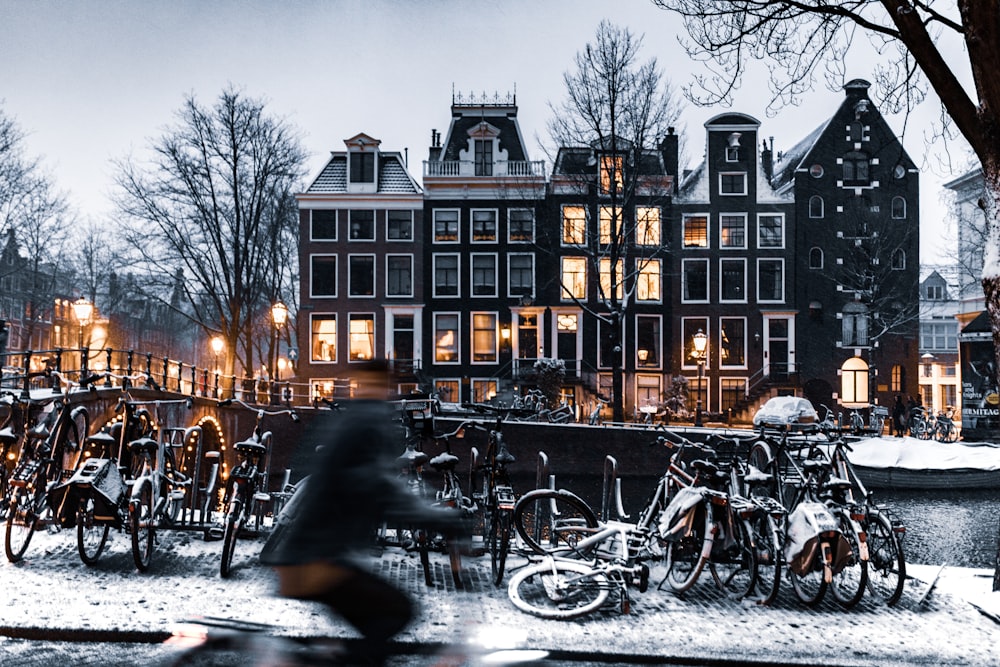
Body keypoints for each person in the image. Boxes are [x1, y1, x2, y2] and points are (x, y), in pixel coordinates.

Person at [260, 360, 459, 665]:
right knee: (397, 612)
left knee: (377, 622)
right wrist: (440, 518)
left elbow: (372, 484)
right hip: (317, 559)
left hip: (312, 553)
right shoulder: (366, 423)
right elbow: (378, 485)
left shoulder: (353, 418)